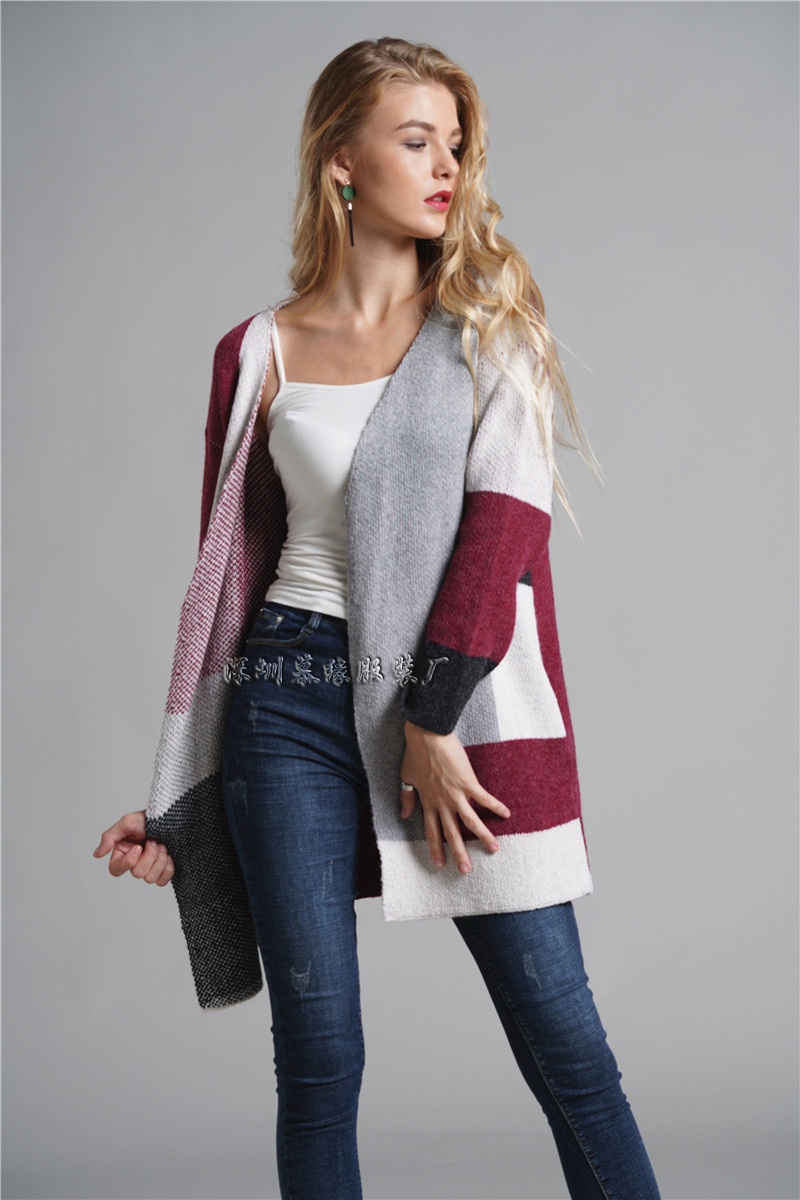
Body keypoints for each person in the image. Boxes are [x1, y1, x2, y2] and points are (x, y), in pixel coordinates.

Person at [94, 36, 662, 1200]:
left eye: (454, 144)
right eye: (415, 141)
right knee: (317, 1063)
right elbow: (227, 582)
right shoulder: (254, 351)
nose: (445, 166)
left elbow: (503, 532)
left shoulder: (489, 326)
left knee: (568, 1050)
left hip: (457, 705)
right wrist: (180, 797)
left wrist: (428, 718)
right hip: (284, 699)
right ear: (341, 161)